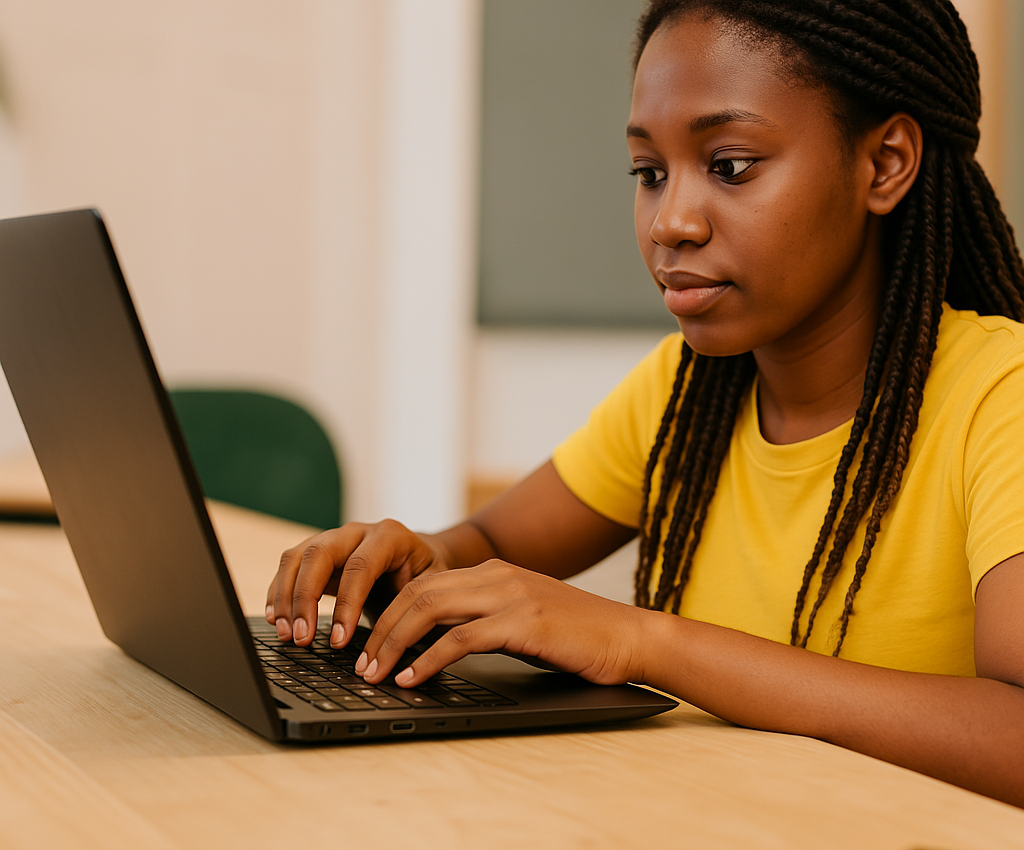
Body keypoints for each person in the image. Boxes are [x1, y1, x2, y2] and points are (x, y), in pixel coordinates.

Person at [267, 0, 1024, 807]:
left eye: (730, 164)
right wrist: (412, 561)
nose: (671, 222)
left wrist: (645, 641)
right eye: (648, 172)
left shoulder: (999, 396)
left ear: (885, 164)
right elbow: (490, 539)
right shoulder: (685, 389)